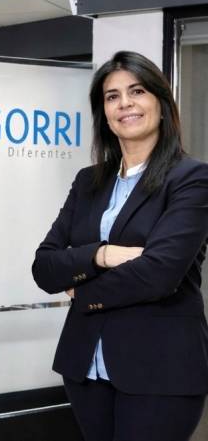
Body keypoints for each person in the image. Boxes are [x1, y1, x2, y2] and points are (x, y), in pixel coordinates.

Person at [32, 50, 208, 441]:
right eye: (112, 96)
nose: (125, 103)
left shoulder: (191, 179)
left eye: (137, 91)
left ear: (161, 103)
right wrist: (103, 254)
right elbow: (44, 267)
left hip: (160, 369)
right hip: (86, 366)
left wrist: (82, 288)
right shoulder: (88, 181)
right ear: (105, 114)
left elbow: (159, 274)